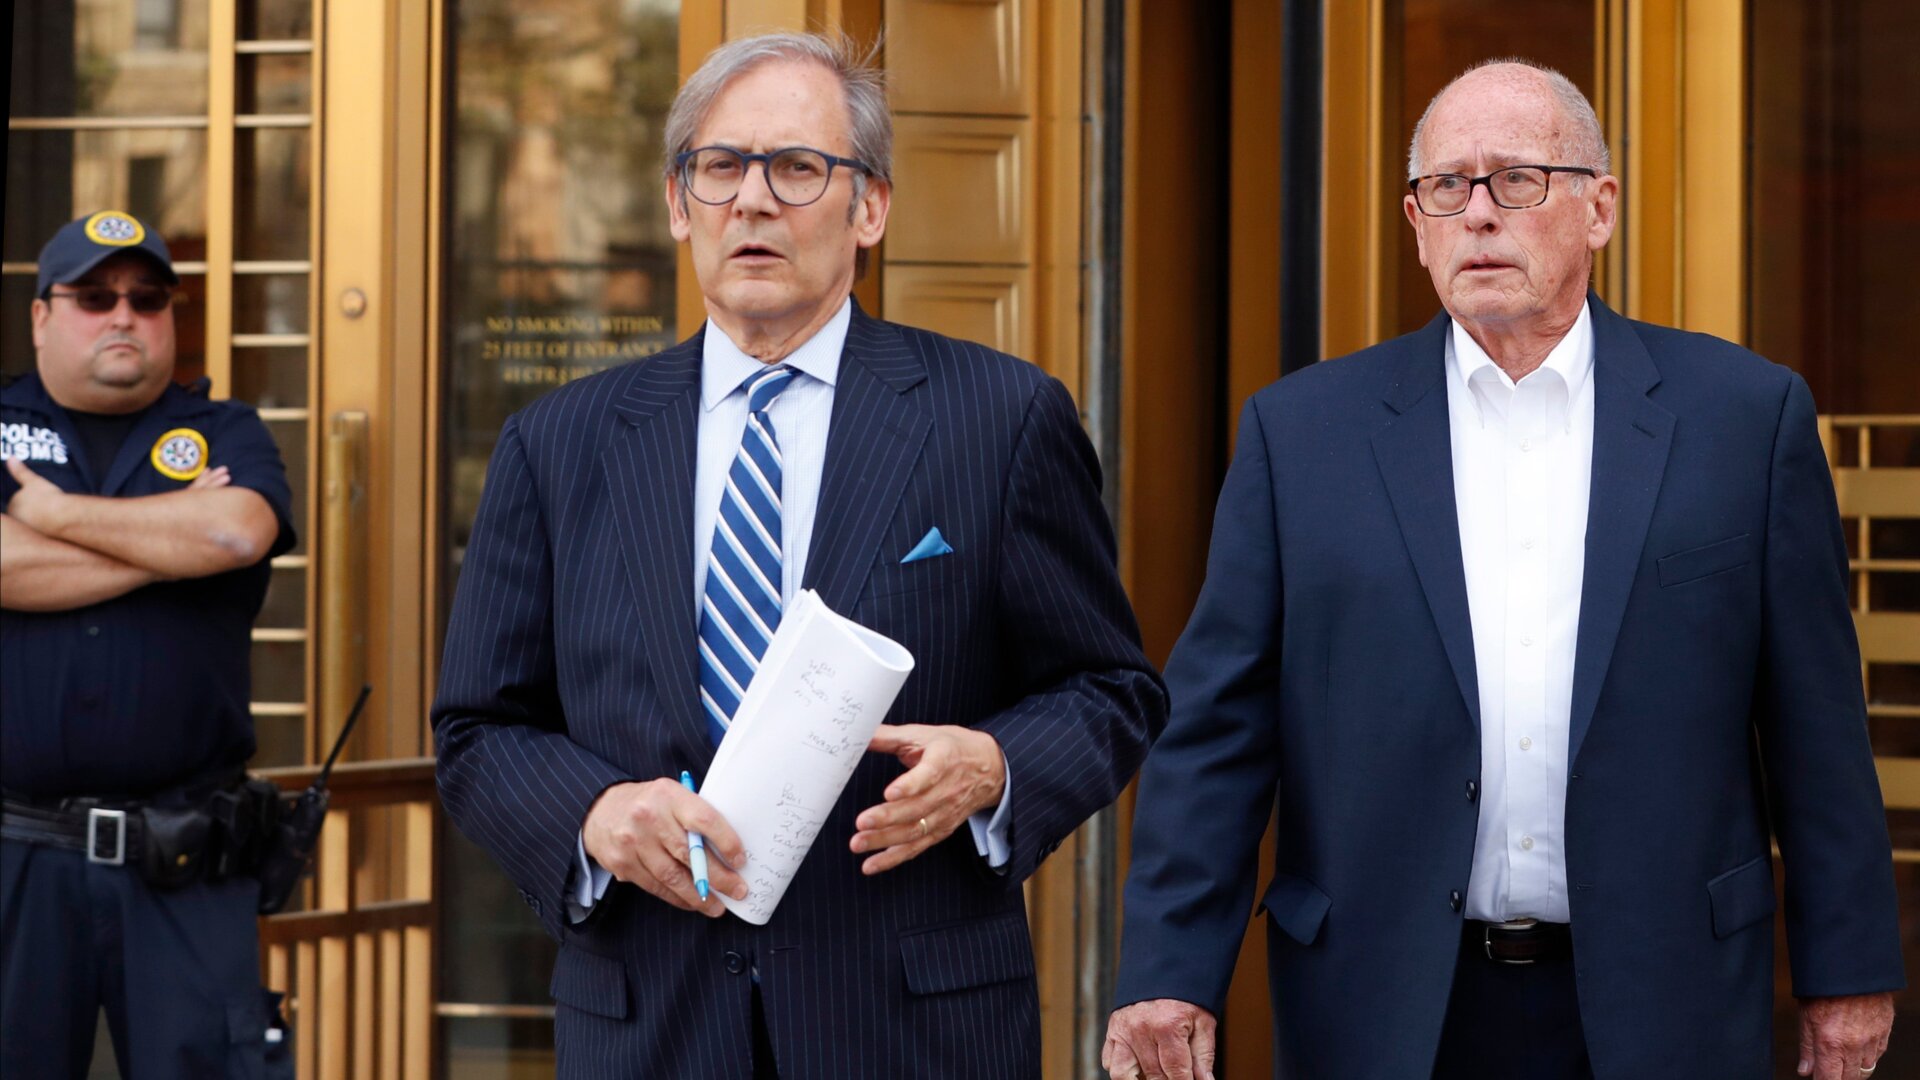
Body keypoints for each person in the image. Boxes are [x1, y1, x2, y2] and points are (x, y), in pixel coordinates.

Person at [1104, 60, 1903, 1080]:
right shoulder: (1301, 435)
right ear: (1416, 223)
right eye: (1447, 186)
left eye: (1517, 180)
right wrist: (1169, 971)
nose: (1478, 213)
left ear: (1599, 208)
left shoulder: (1744, 419)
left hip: (1666, 995)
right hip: (1383, 1002)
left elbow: (1815, 725)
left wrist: (1847, 969)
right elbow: (1218, 731)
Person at [433, 32, 1166, 1080]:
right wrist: (594, 816)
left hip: (913, 1032)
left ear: (870, 208)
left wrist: (996, 766)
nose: (753, 200)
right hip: (649, 1026)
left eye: (796, 167)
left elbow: (1110, 690)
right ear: (678, 203)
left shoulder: (998, 419)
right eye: (721, 167)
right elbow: (478, 730)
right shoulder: (560, 443)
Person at [1, 211, 297, 1076]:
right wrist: (166, 544)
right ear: (42, 317)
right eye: (94, 297)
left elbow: (234, 535)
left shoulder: (227, 430)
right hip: (15, 855)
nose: (124, 315)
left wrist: (52, 515)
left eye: (147, 297)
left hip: (186, 862)